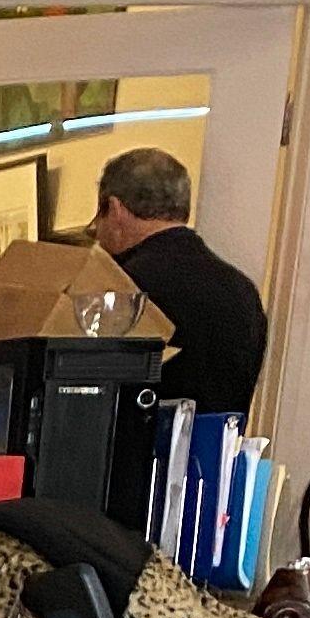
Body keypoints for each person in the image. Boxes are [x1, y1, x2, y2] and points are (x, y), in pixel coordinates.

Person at [87, 146, 267, 419]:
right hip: (217, 445)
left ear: (115, 209)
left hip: (141, 443)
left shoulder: (122, 286)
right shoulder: (242, 290)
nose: (98, 234)